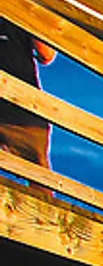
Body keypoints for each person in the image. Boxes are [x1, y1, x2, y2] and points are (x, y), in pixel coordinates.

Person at [0, 17, 57, 168]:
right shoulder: (21, 6)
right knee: (38, 178)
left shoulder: (19, 7)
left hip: (23, 111)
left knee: (38, 178)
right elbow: (46, 55)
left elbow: (46, 55)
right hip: (24, 111)